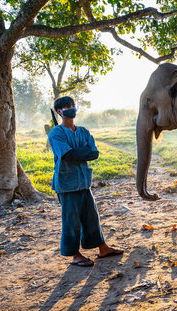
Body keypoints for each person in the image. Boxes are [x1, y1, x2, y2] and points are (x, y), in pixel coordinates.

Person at [48, 96, 123, 267]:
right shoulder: (56, 133)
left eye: (73, 105)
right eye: (67, 106)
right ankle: (75, 255)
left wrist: (77, 153)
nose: (71, 108)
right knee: (71, 220)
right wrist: (81, 152)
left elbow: (94, 153)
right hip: (66, 184)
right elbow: (67, 155)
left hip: (83, 181)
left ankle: (102, 248)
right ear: (59, 112)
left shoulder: (83, 131)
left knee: (92, 217)